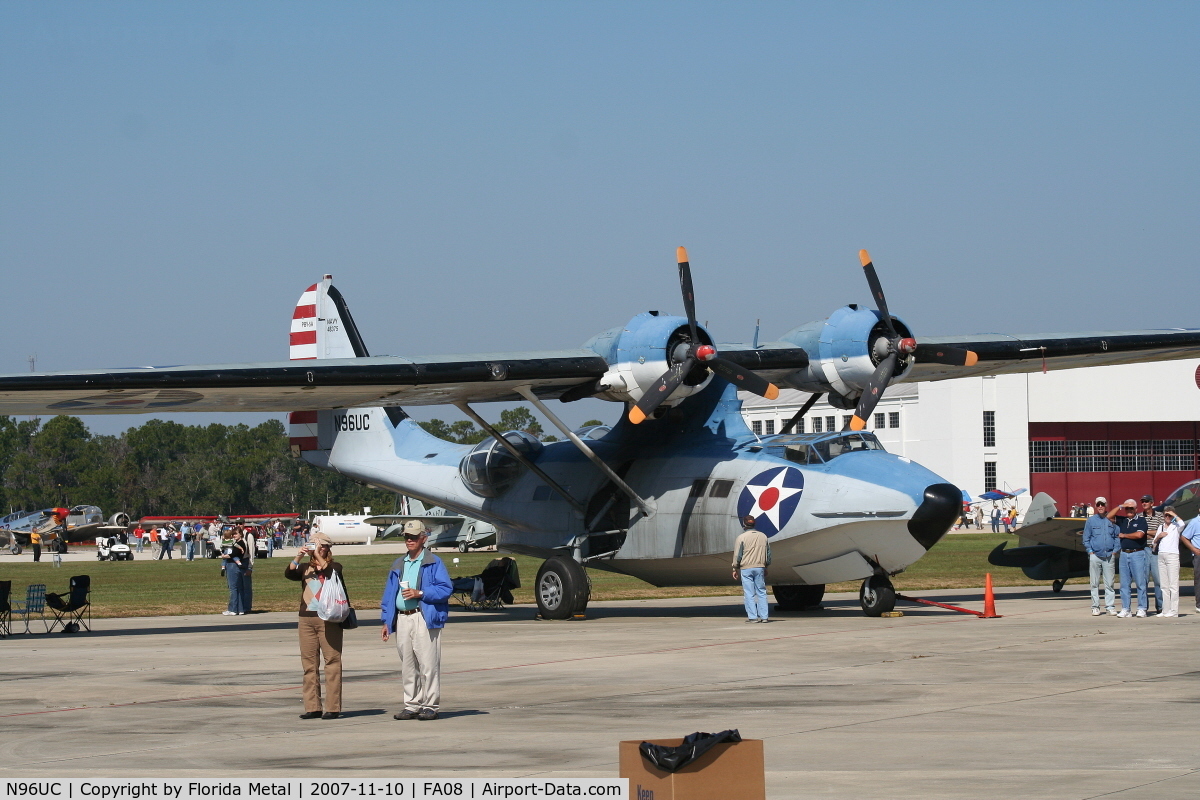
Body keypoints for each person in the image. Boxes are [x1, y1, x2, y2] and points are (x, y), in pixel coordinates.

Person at [381, 520, 452, 721]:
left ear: (423, 538)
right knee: (408, 665)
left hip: (423, 616)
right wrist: (387, 621)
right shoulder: (398, 564)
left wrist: (420, 593)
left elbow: (445, 589)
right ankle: (411, 704)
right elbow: (388, 596)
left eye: (413, 537)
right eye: (406, 537)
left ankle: (430, 705)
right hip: (402, 619)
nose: (409, 540)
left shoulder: (433, 562)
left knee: (428, 664)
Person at [284, 532, 347, 720]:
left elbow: (330, 573)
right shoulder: (305, 568)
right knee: (309, 664)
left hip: (329, 619)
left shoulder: (335, 566)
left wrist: (319, 554)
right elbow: (289, 573)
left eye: (321, 546)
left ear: (328, 548)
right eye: (314, 545)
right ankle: (313, 706)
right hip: (306, 619)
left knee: (332, 662)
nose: (317, 549)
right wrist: (299, 555)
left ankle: (333, 707)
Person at [732, 515, 772, 623]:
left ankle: (753, 617)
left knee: (749, 593)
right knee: (761, 592)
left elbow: (737, 555)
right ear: (754, 524)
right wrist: (766, 566)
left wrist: (735, 568)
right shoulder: (763, 536)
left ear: (744, 524)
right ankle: (764, 616)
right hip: (760, 567)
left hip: (746, 568)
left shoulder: (741, 537)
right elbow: (768, 553)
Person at [1082, 497, 1119, 616]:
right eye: (1098, 504)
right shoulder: (1091, 521)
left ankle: (1110, 606)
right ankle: (1095, 606)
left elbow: (1117, 536)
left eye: (1102, 504)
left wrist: (1114, 551)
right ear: (1095, 506)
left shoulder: (1111, 520)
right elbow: (1086, 538)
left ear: (1106, 505)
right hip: (1095, 555)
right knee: (1094, 582)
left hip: (1109, 555)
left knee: (1110, 583)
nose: (1100, 506)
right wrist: (1090, 551)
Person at [1114, 499, 1149, 617]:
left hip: (1137, 553)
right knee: (1124, 583)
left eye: (1131, 508)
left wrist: (1124, 535)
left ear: (1136, 509)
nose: (1129, 510)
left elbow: (1139, 535)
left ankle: (1142, 608)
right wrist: (1121, 505)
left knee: (1140, 582)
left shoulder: (1141, 520)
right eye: (1127, 509)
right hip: (1124, 554)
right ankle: (1126, 608)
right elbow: (1109, 516)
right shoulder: (1122, 520)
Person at [1151, 507, 1184, 617]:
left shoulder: (1176, 527)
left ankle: (1174, 611)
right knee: (1164, 585)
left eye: (1169, 515)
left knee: (1173, 585)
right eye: (1166, 515)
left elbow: (1182, 524)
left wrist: (1174, 514)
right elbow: (1153, 543)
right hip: (1161, 555)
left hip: (1172, 555)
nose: (1167, 517)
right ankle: (1165, 610)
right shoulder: (1160, 527)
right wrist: (1158, 537)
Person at [1138, 495, 1164, 614]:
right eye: (1142, 502)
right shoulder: (1139, 517)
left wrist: (1146, 532)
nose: (1144, 503)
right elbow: (1137, 533)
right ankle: (1144, 607)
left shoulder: (1159, 516)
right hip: (1143, 550)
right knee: (1143, 580)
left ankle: (1160, 606)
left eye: (1146, 501)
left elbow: (1162, 532)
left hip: (1155, 550)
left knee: (1158, 580)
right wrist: (1152, 533)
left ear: (1152, 503)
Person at [221, 528, 252, 616]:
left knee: (233, 588)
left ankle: (233, 609)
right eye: (233, 534)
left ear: (241, 534)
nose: (234, 536)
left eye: (236, 534)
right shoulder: (238, 543)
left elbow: (234, 554)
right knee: (238, 588)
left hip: (232, 565)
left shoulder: (240, 543)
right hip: (235, 565)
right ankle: (240, 609)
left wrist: (225, 556)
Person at [1180, 513, 1200, 614]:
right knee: (1199, 579)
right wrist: (1194, 549)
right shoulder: (1195, 522)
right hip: (1198, 554)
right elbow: (1184, 537)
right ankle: (1199, 605)